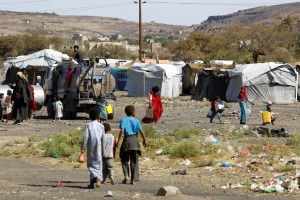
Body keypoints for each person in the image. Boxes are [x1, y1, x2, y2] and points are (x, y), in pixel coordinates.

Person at [116, 105, 147, 185]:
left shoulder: (123, 120)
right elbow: (141, 131)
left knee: (124, 160)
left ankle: (126, 175)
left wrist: (118, 141)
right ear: (133, 112)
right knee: (134, 161)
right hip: (135, 142)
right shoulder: (136, 121)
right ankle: (132, 180)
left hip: (126, 141)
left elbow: (122, 131)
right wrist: (144, 140)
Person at [81, 108, 105, 189]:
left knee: (91, 164)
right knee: (98, 164)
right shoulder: (101, 126)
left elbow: (85, 137)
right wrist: (103, 150)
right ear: (98, 116)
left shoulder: (88, 125)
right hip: (99, 147)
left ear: (90, 117)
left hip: (91, 147)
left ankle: (95, 178)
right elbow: (103, 139)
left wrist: (83, 147)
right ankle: (92, 183)